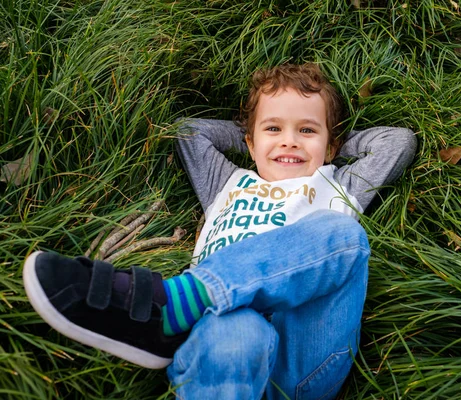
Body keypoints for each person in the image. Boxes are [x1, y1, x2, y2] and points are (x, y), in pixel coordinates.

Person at [23, 63, 417, 399]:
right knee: (237, 332)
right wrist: (249, 133)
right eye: (274, 128)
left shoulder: (337, 185)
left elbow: (396, 142)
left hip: (303, 355)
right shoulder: (225, 183)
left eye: (307, 131)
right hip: (223, 336)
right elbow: (189, 132)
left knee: (342, 232)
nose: (289, 141)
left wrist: (335, 143)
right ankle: (188, 306)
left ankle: (174, 305)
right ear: (249, 141)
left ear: (330, 145)